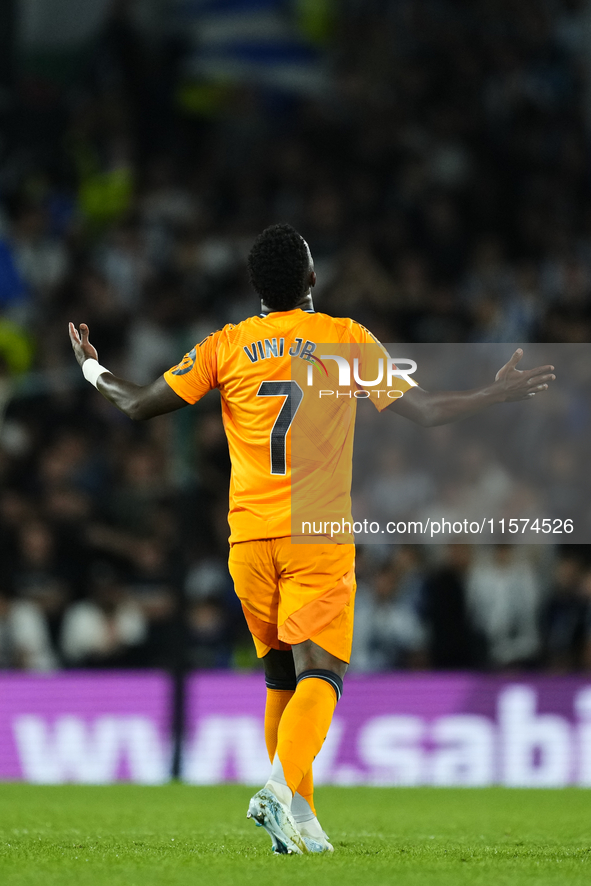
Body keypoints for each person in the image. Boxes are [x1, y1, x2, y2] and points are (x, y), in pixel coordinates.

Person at [69, 223, 556, 854]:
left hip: (248, 540)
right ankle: (276, 792)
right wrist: (496, 390)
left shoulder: (226, 344)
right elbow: (429, 411)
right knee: (320, 674)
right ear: (312, 280)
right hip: (316, 535)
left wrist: (88, 366)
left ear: (255, 288)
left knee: (279, 678)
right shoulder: (344, 340)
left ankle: (300, 822)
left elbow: (136, 405)